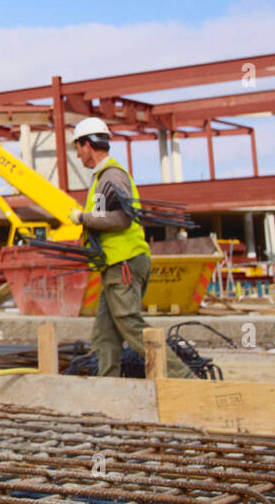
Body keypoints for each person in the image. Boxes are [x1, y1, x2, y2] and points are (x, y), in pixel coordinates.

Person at [68, 119, 190, 379]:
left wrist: (82, 218)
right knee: (105, 333)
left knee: (131, 326)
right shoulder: (103, 179)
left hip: (123, 262)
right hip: (114, 263)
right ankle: (108, 387)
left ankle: (185, 379)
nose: (77, 154)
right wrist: (88, 234)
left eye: (77, 147)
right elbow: (103, 216)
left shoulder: (112, 176)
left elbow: (122, 217)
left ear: (87, 145)